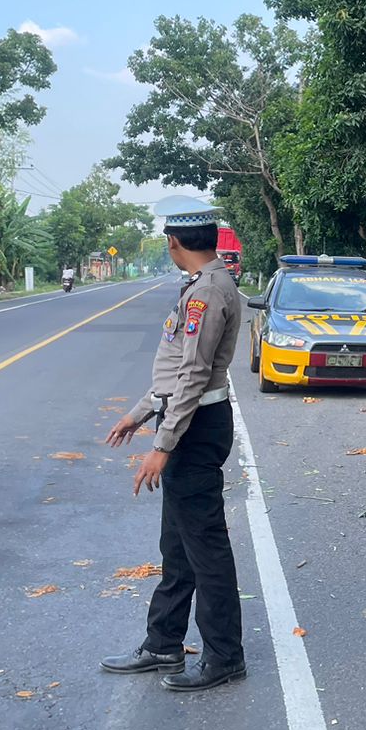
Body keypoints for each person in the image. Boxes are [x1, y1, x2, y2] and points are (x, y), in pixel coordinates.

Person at [101, 196, 246, 692]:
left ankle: (225, 655)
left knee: (205, 547)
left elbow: (192, 376)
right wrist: (138, 413)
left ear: (174, 243)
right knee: (178, 543)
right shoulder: (204, 285)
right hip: (189, 421)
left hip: (195, 428)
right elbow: (173, 373)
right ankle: (163, 642)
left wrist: (162, 443)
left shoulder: (208, 292)